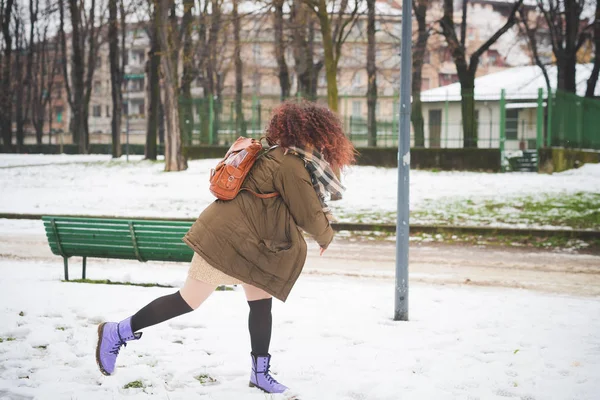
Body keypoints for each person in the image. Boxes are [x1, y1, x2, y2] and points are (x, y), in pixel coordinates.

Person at [95, 101, 355, 395]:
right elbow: (307, 211)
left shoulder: (273, 151)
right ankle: (118, 332)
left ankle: (260, 373)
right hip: (225, 240)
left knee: (260, 304)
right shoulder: (288, 163)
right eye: (319, 135)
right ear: (307, 133)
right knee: (188, 300)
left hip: (251, 244)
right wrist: (325, 236)